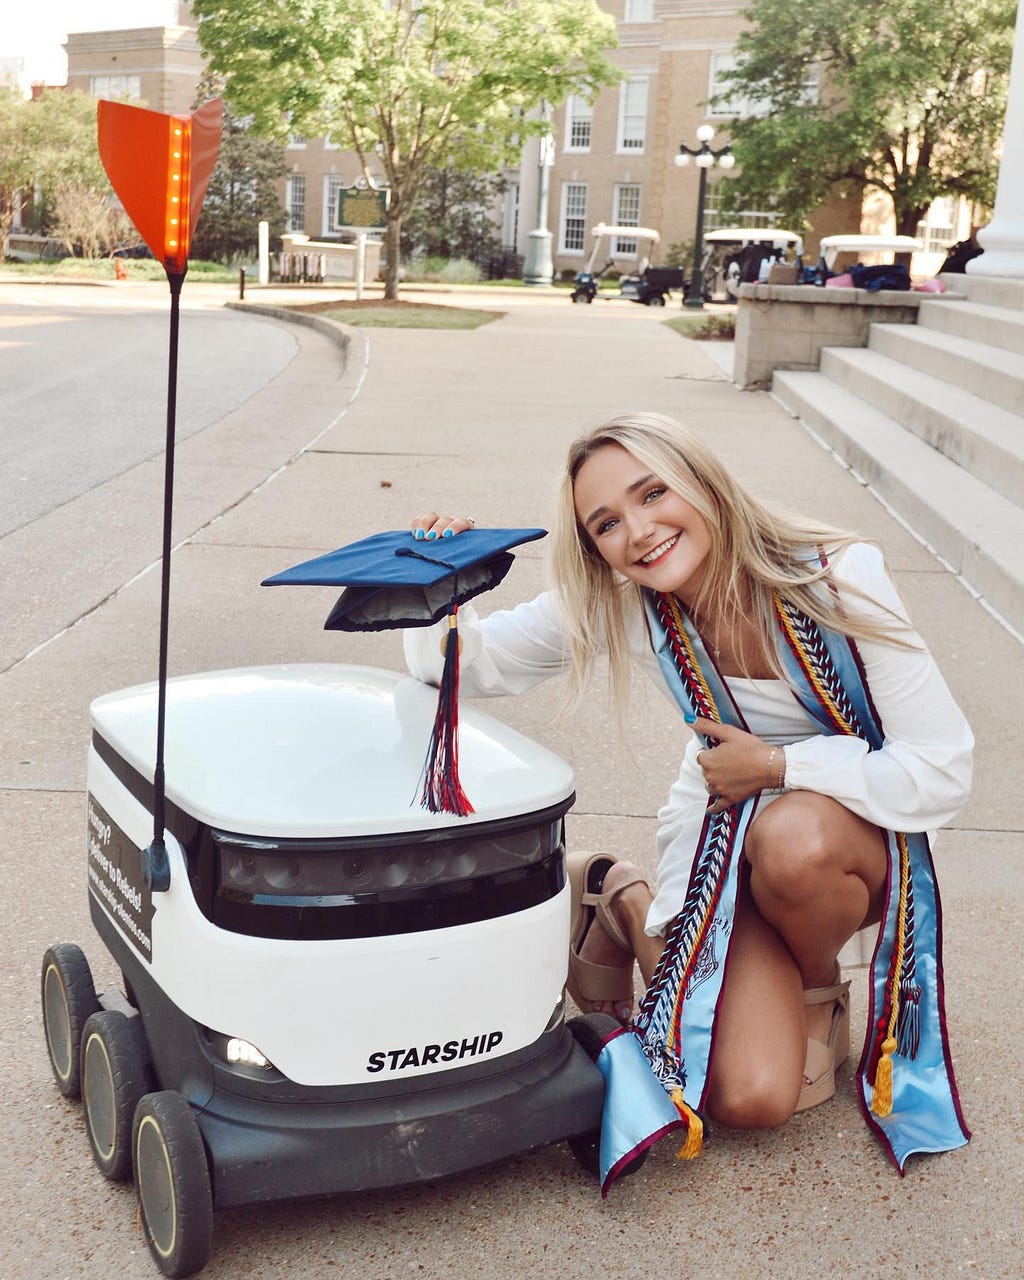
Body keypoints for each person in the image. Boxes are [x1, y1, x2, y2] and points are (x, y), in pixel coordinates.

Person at [405, 411, 972, 1146]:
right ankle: (622, 898)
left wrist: (777, 766)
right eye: (606, 524)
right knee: (754, 1097)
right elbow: (462, 665)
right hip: (719, 845)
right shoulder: (622, 602)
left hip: (842, 851)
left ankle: (802, 980)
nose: (638, 532)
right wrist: (441, 580)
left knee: (795, 838)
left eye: (653, 494)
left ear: (702, 482)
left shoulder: (835, 578)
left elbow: (942, 770)